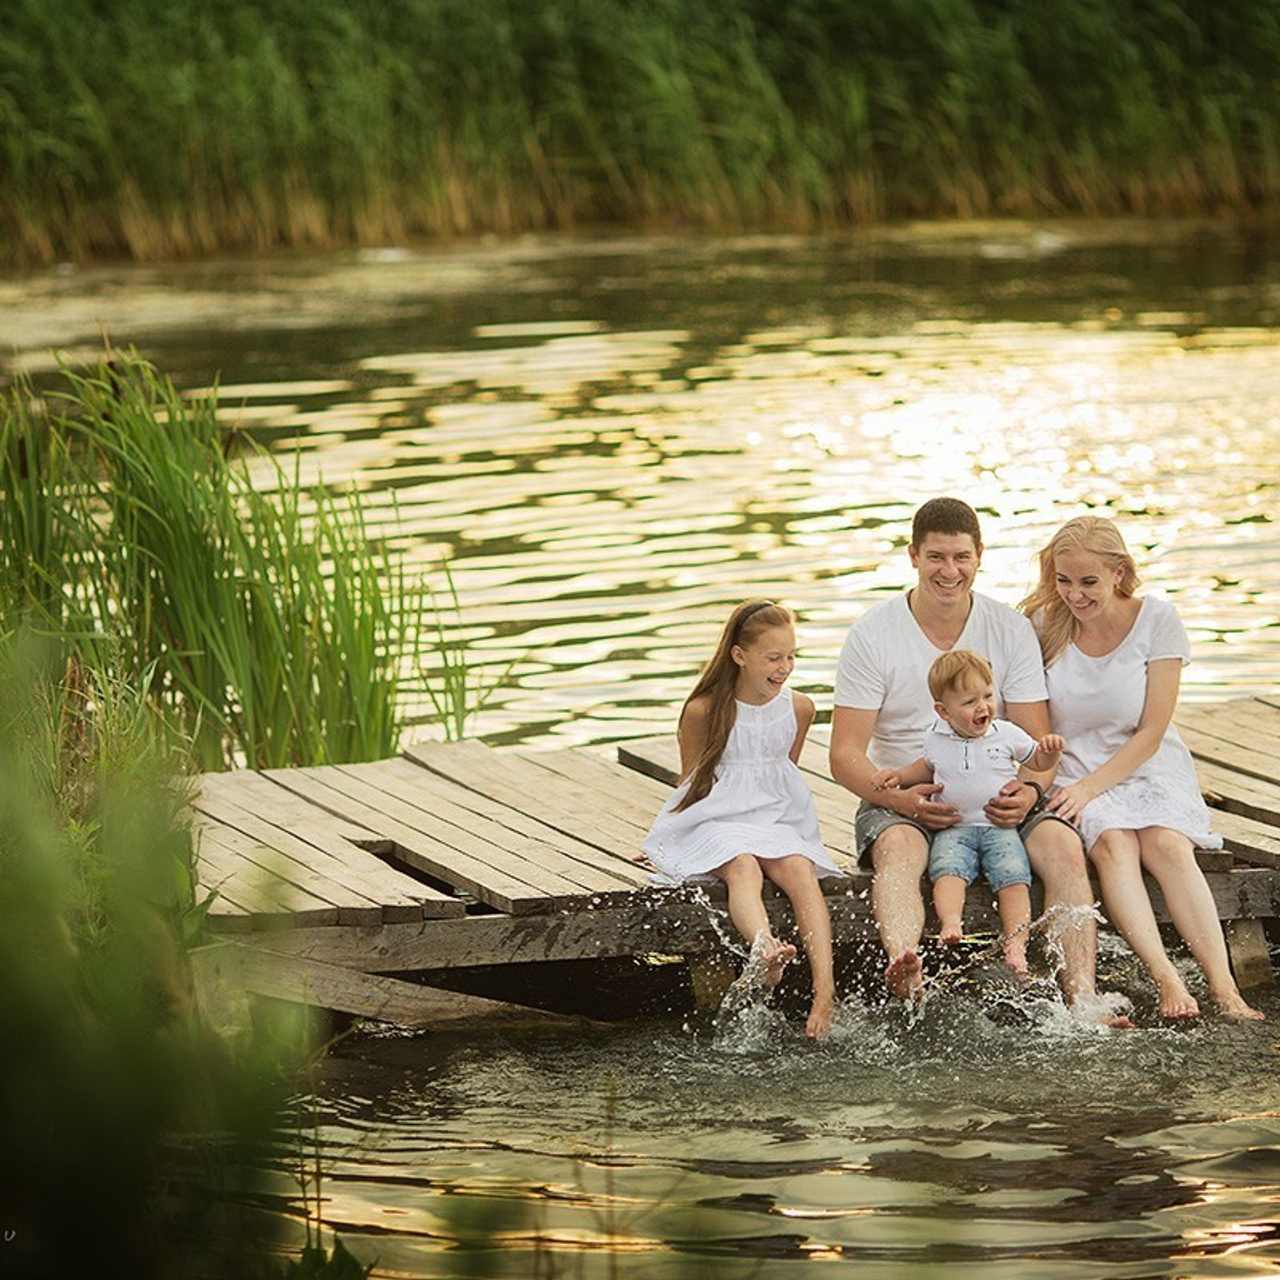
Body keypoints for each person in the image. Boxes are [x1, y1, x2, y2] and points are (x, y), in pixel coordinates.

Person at [830, 497, 1118, 1019]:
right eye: (936, 557)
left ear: (979, 555)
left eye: (961, 557)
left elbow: (1038, 743)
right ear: (913, 556)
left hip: (999, 797)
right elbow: (845, 753)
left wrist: (1029, 790)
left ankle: (1083, 1000)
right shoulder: (873, 634)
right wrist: (904, 800)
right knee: (897, 854)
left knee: (1064, 847)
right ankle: (905, 968)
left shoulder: (1008, 629)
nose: (949, 571)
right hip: (904, 794)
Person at [1020, 515, 1263, 1021]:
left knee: (1167, 844)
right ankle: (1166, 977)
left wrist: (1090, 789)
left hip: (1147, 761)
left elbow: (1152, 731)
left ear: (1119, 572)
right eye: (1063, 580)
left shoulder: (1156, 620)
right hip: (1075, 764)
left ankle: (1224, 988)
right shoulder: (1042, 624)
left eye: (1088, 582)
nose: (1075, 595)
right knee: (1114, 844)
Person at [643, 599, 839, 1038]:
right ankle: (764, 950)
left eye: (791, 656)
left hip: (774, 816)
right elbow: (690, 785)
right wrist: (666, 845)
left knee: (800, 870)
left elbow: (781, 771)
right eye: (773, 657)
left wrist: (780, 830)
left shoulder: (799, 709)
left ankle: (825, 990)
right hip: (718, 818)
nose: (784, 667)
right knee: (742, 865)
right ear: (739, 655)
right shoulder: (704, 712)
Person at [870, 649, 1065, 975]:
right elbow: (925, 766)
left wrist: (1051, 754)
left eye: (987, 695)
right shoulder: (936, 735)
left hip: (999, 827)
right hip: (954, 828)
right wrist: (898, 778)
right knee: (947, 873)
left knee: (1014, 879)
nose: (983, 706)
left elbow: (1037, 763)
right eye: (970, 701)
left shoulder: (1006, 733)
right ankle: (951, 924)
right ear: (944, 711)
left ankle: (1016, 942)